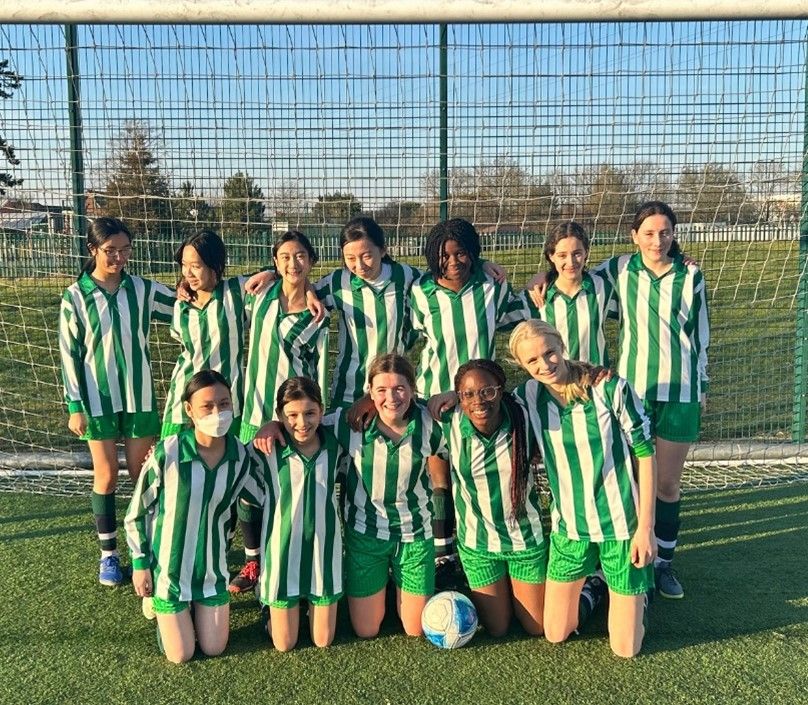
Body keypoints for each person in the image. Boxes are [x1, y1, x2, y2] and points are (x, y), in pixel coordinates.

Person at [510, 320, 656, 657]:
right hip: (570, 529)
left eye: (549, 353)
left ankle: (638, 597)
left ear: (561, 345)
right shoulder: (526, 396)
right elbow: (480, 400)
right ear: (521, 365)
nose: (545, 365)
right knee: (555, 633)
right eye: (532, 361)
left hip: (621, 527)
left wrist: (645, 529)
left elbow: (646, 456)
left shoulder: (609, 388)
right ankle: (597, 587)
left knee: (625, 649)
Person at [594, 201, 709, 599]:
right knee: (629, 482)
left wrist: (703, 385)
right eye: (649, 232)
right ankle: (629, 561)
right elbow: (570, 276)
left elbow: (700, 335)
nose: (657, 240)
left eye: (665, 232)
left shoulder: (691, 273)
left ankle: (663, 566)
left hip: (679, 393)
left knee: (666, 484)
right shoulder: (619, 269)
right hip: (633, 393)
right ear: (634, 236)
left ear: (674, 234)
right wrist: (542, 275)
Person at [58, 216, 174, 586]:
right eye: (111, 251)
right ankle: (109, 556)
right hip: (97, 400)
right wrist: (75, 405)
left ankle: (150, 547)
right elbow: (69, 353)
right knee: (106, 475)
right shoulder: (75, 296)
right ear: (93, 250)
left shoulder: (142, 289)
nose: (119, 257)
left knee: (143, 475)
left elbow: (186, 301)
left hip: (138, 397)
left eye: (125, 250)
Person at [160, 229, 272, 595]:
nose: (189, 273)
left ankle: (252, 560)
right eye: (184, 266)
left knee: (237, 481)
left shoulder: (238, 293)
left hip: (228, 406)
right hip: (185, 405)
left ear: (217, 265)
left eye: (197, 265)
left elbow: (276, 278)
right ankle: (185, 561)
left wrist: (270, 272)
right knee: (182, 485)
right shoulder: (180, 303)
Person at [124, 370, 260, 664]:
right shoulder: (168, 452)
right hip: (169, 571)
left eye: (224, 404)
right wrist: (139, 565)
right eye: (207, 406)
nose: (217, 412)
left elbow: (263, 496)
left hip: (212, 571)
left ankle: (193, 607)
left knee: (214, 648)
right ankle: (162, 606)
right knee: (181, 655)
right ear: (189, 410)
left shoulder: (240, 455)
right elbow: (136, 512)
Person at [330, 354, 446, 638]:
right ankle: (386, 589)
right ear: (369, 391)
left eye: (399, 388)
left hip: (415, 535)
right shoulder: (350, 423)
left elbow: (474, 408)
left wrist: (452, 395)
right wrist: (272, 426)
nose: (391, 397)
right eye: (381, 390)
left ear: (413, 389)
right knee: (366, 630)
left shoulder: (432, 423)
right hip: (366, 535)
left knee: (417, 629)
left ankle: (399, 590)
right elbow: (300, 423)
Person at [438, 359, 547, 638]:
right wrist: (366, 400)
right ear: (458, 398)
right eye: (469, 394)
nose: (479, 401)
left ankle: (592, 586)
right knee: (497, 628)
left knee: (538, 627)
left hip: (524, 541)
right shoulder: (448, 422)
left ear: (501, 390)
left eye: (487, 391)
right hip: (478, 545)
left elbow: (560, 386)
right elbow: (398, 405)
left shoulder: (525, 416)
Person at [251, 376, 348, 651]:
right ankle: (268, 606)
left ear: (322, 410)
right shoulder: (267, 450)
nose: (302, 423)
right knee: (284, 644)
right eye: (291, 415)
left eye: (310, 413)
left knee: (323, 640)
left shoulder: (336, 446)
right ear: (279, 415)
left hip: (323, 553)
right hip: (282, 553)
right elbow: (230, 460)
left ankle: (309, 603)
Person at [524, 221, 616, 367]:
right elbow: (501, 317)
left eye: (577, 253)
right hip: (556, 383)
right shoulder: (538, 294)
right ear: (551, 256)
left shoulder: (602, 287)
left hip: (595, 380)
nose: (571, 262)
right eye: (562, 255)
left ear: (586, 252)